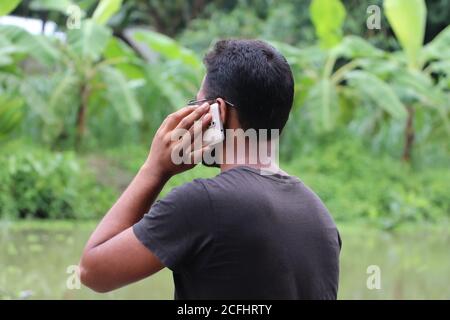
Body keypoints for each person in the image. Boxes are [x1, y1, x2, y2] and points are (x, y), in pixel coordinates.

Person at [79, 39, 341, 299]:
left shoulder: (205, 203)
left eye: (197, 104)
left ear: (218, 112)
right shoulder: (321, 219)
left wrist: (155, 169)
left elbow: (93, 271)